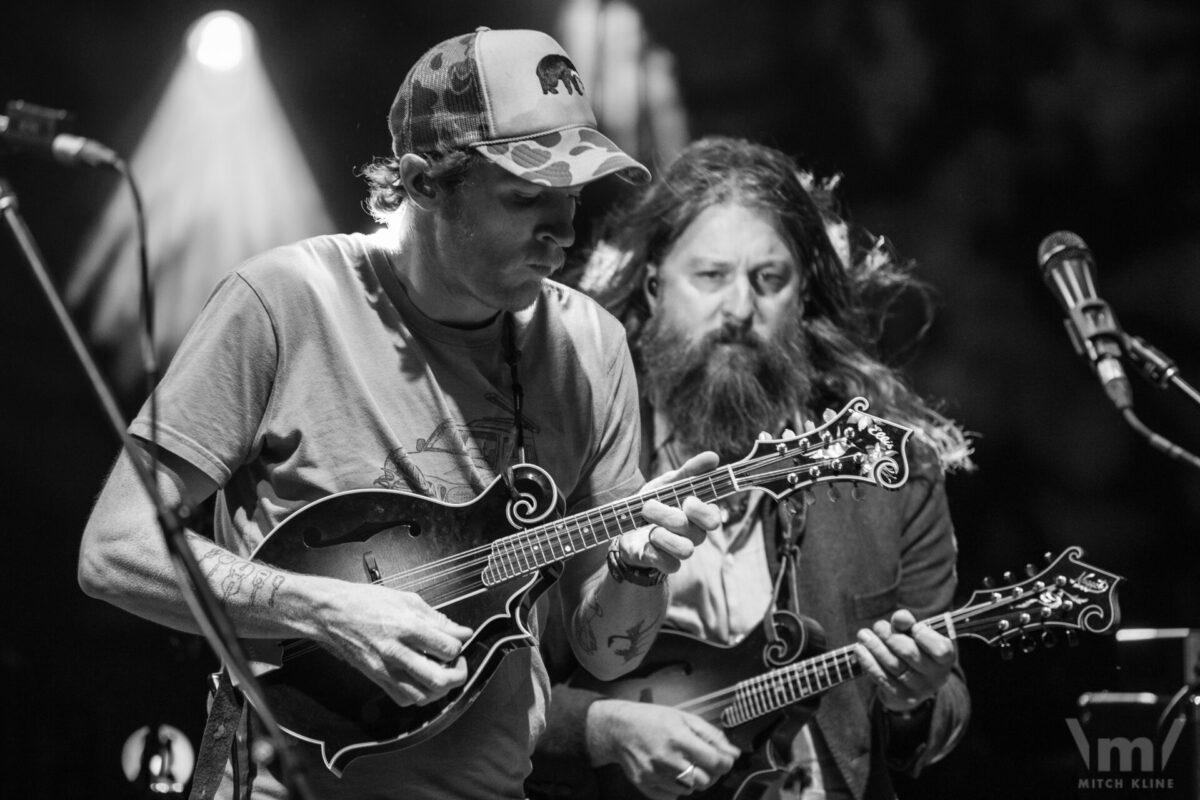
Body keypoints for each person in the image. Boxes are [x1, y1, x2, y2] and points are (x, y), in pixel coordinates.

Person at [76, 27, 721, 800]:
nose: (564, 232)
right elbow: (114, 550)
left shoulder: (592, 345)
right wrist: (324, 608)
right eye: (527, 198)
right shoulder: (283, 301)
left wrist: (638, 564)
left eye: (573, 197)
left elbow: (606, 652)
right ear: (422, 183)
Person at [526, 136, 974, 800]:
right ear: (653, 288)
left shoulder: (893, 472)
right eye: (710, 277)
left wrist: (913, 702)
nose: (739, 309)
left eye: (769, 280)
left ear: (803, 299)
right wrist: (603, 727)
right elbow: (497, 692)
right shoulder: (570, 455)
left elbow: (941, 709)